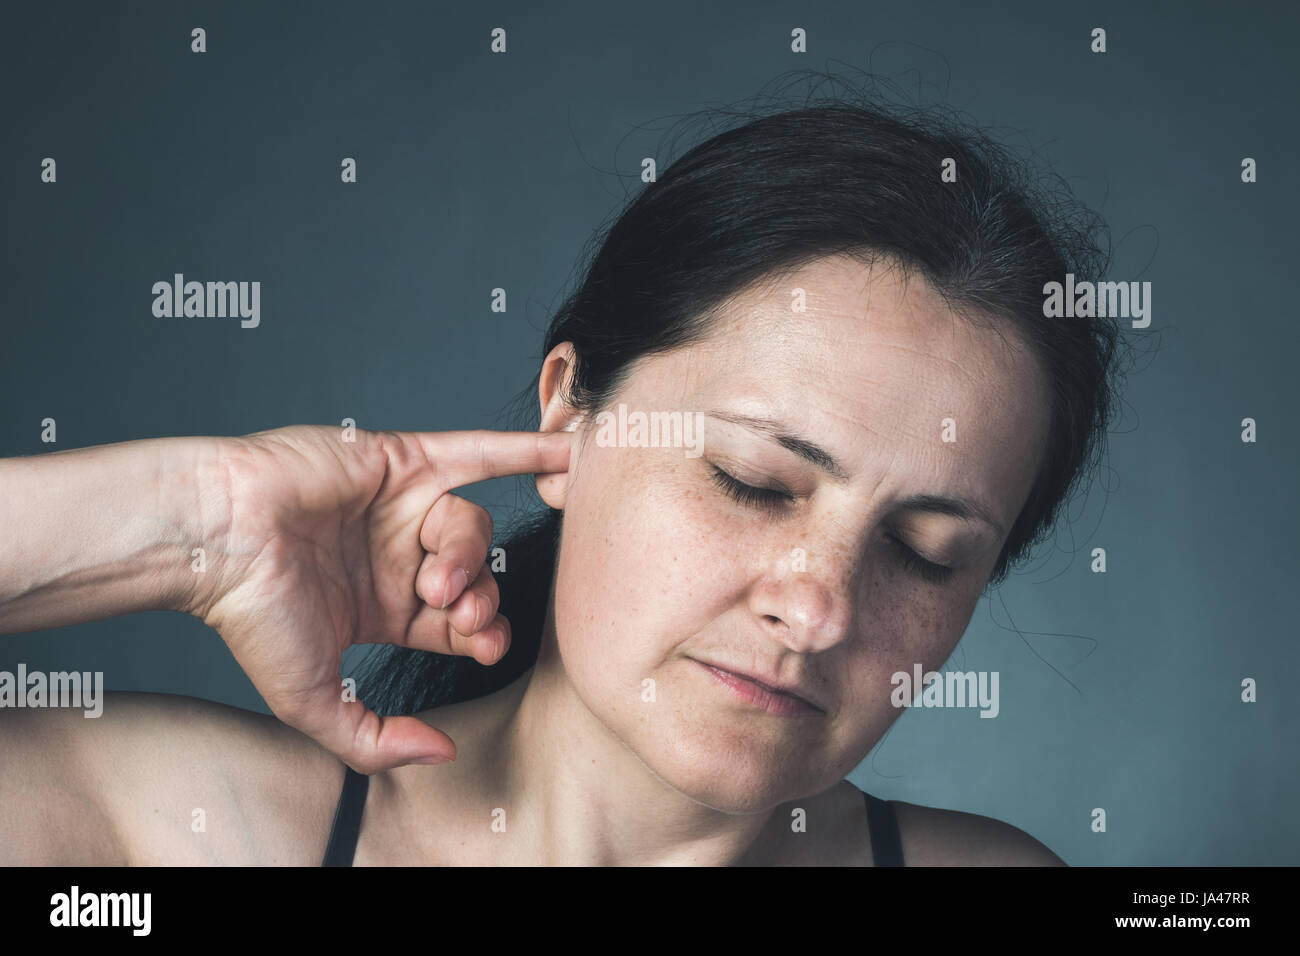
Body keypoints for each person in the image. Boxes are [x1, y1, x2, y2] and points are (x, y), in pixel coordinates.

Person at [0, 95, 1121, 866]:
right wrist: (201, 526)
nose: (818, 606)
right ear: (567, 414)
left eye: (925, 552)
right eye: (750, 479)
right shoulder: (165, 832)